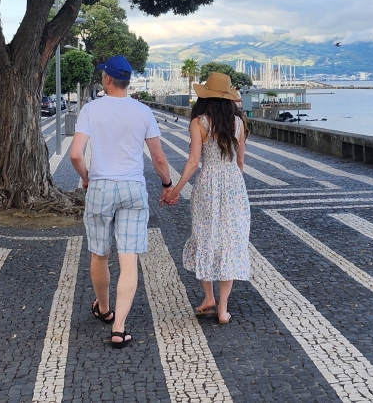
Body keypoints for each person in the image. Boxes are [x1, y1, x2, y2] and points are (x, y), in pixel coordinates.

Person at [69, 55, 173, 349]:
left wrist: (87, 177)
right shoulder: (143, 112)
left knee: (99, 254)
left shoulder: (90, 110)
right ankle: (119, 327)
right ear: (128, 81)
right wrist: (167, 186)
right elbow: (159, 157)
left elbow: (76, 154)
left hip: (101, 186)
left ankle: (104, 309)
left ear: (106, 79)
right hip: (133, 188)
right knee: (129, 260)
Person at [161, 72, 250, 324]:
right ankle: (222, 308)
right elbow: (241, 160)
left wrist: (174, 190)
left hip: (208, 184)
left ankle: (208, 297)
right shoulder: (239, 123)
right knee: (230, 240)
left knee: (205, 235)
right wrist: (232, 181)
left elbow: (192, 162)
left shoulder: (199, 123)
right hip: (233, 184)